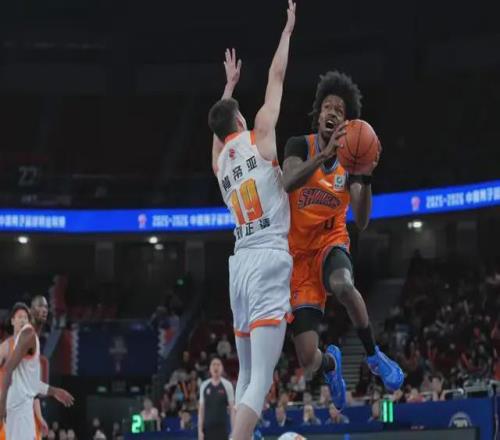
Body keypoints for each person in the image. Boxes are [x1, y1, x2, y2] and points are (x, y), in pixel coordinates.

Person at [282, 70, 403, 408]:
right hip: (297, 257)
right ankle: (331, 365)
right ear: (318, 114)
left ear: (346, 122)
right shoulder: (299, 145)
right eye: (327, 107)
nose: (332, 112)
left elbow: (361, 221)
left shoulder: (350, 161)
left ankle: (374, 355)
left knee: (343, 285)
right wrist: (322, 156)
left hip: (330, 242)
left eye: (339, 109)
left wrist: (365, 177)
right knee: (308, 359)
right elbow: (288, 181)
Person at [208, 2, 296, 439]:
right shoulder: (259, 131)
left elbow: (217, 132)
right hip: (267, 259)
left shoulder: (220, 162)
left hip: (239, 265)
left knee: (245, 376)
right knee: (261, 379)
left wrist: (227, 87)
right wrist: (287, 30)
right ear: (241, 119)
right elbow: (276, 76)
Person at [0, 303, 74, 440]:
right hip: (9, 408)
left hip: (21, 410)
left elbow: (32, 387)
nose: (23, 320)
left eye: (25, 317)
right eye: (19, 317)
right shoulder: (6, 347)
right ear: (12, 321)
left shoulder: (30, 344)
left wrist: (40, 416)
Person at [198, 357, 235, 440]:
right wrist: (200, 431)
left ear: (222, 368)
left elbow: (232, 410)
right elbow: (201, 411)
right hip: (207, 430)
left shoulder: (227, 385)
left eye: (218, 364)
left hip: (222, 430)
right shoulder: (204, 385)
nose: (216, 367)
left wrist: (234, 430)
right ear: (210, 369)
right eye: (213, 364)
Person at [31, 295, 51, 439]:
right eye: (40, 306)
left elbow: (32, 388)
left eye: (46, 307)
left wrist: (39, 416)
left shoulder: (36, 339)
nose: (44, 310)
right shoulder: (26, 335)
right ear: (31, 310)